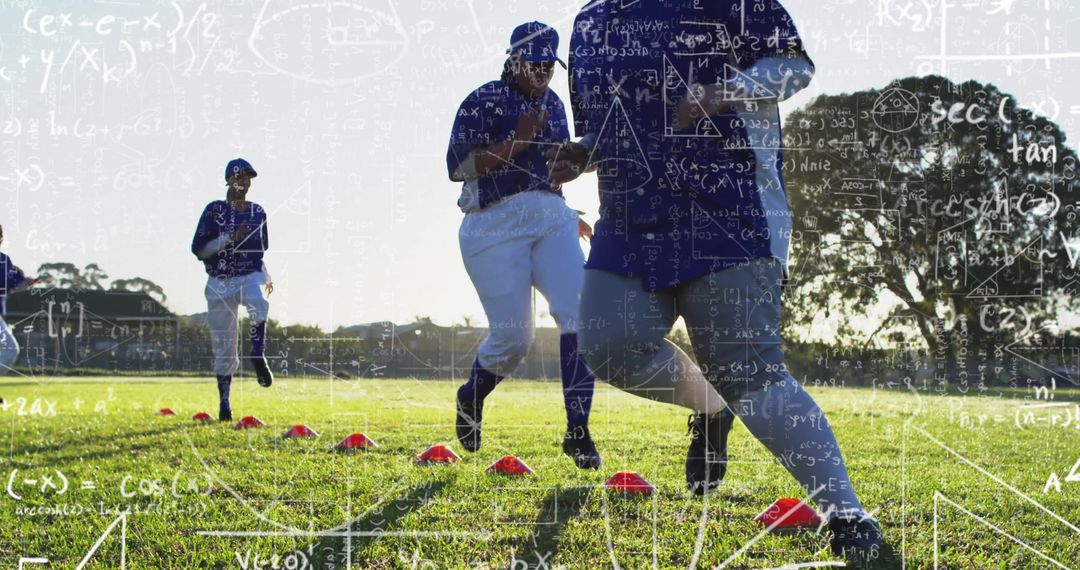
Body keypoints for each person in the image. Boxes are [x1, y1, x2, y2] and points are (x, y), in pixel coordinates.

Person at [549, 0, 882, 561]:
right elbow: (605, 125)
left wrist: (723, 92)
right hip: (629, 219)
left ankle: (845, 511)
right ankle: (710, 407)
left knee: (748, 370)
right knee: (606, 348)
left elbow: (793, 65)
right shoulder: (589, 22)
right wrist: (581, 153)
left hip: (727, 208)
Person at [446, 21, 602, 470]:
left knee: (580, 314)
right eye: (534, 65)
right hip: (493, 222)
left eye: (549, 66)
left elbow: (550, 168)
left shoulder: (554, 103)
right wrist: (518, 140)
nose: (543, 75)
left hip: (551, 216)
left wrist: (567, 188)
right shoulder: (482, 99)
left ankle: (578, 431)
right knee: (515, 339)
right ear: (513, 59)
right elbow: (458, 167)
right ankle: (470, 396)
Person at [191, 158, 275, 421]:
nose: (244, 182)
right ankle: (224, 404)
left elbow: (259, 251)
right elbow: (200, 250)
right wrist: (228, 238)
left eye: (248, 177)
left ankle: (257, 354)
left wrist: (266, 274)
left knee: (258, 300)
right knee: (224, 346)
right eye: (239, 177)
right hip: (219, 281)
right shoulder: (214, 210)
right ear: (228, 179)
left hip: (248, 274)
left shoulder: (257, 211)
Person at [0, 224, 37, 391]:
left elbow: (16, 283)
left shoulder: (3, 260)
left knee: (9, 350)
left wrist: (27, 282)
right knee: (10, 350)